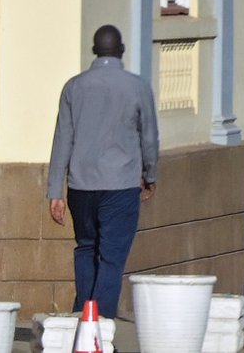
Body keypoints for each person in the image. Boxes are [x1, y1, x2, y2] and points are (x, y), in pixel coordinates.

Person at [46, 27, 163, 322]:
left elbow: (62, 139)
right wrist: (150, 175)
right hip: (121, 184)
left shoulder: (74, 86)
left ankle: (83, 319)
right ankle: (100, 327)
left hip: (81, 185)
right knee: (111, 257)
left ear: (94, 50)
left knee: (86, 248)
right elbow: (149, 137)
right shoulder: (137, 87)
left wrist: (54, 191)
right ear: (121, 50)